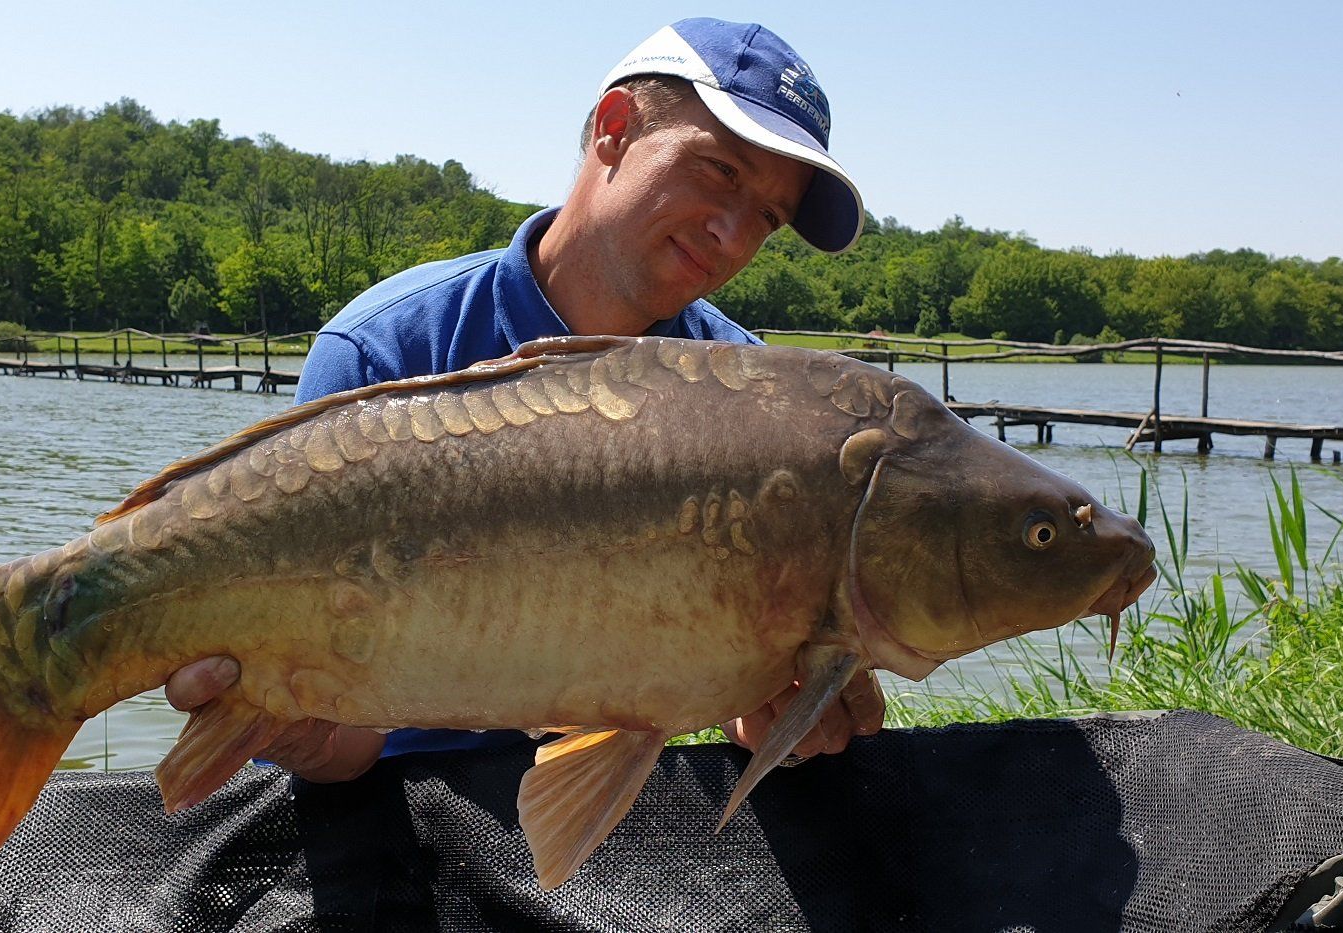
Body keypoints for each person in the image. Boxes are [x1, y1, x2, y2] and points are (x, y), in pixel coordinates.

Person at [164, 17, 883, 784]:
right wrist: (295, 731)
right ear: (614, 129)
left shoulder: (757, 404)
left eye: (768, 218)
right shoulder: (386, 351)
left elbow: (731, 681)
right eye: (720, 173)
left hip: (617, 831)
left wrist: (758, 708)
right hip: (402, 819)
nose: (735, 236)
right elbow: (345, 748)